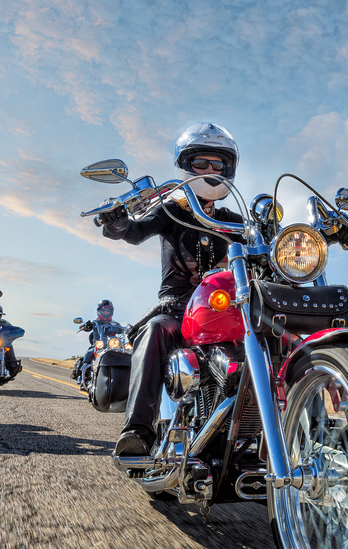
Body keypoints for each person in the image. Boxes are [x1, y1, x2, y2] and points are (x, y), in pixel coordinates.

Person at [96, 122, 248, 456]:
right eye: (201, 163)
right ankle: (138, 430)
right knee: (153, 331)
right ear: (186, 166)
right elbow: (135, 232)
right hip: (177, 308)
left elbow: (262, 244)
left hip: (227, 311)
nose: (209, 170)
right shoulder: (171, 210)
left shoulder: (234, 220)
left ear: (228, 170)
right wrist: (117, 221)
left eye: (217, 164)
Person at [72, 299, 123, 380]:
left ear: (111, 312)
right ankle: (83, 375)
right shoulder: (95, 322)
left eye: (108, 311)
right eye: (104, 311)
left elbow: (121, 330)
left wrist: (128, 329)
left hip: (112, 346)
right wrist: (84, 325)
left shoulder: (115, 324)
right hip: (98, 345)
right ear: (99, 311)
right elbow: (86, 327)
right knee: (89, 353)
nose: (106, 313)